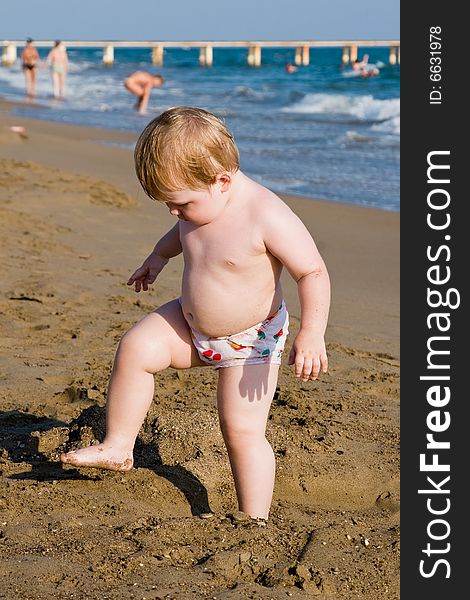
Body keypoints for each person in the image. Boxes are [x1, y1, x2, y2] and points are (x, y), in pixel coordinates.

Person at [60, 106, 330, 521]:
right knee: (135, 348)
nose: (174, 212)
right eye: (168, 203)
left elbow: (311, 272)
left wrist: (311, 332)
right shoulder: (198, 203)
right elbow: (180, 234)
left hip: (250, 341)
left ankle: (253, 517)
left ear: (223, 180)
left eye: (180, 203)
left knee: (241, 432)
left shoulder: (266, 214)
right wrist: (157, 257)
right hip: (190, 325)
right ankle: (118, 445)